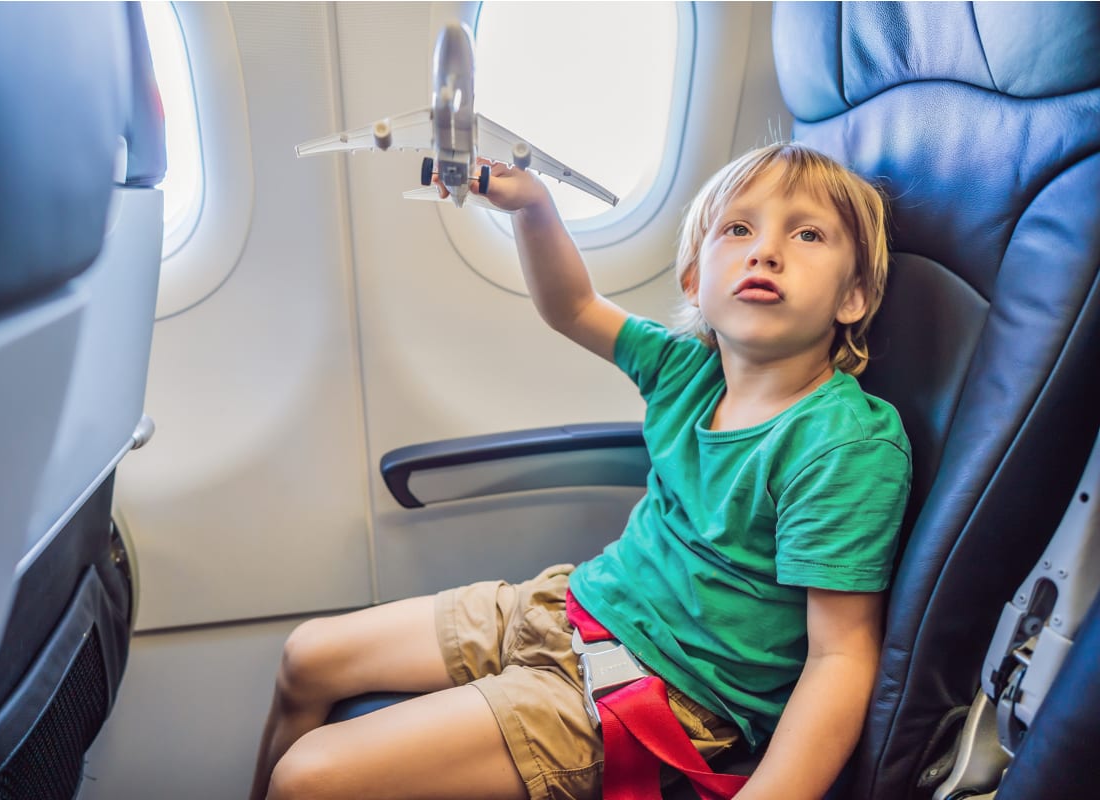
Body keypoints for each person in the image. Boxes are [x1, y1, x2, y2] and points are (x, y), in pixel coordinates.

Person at [248, 142, 912, 800]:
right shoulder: (686, 371)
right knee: (307, 655)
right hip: (572, 606)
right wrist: (533, 208)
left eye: (807, 235)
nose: (766, 250)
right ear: (694, 282)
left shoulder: (843, 445)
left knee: (310, 778)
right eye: (738, 228)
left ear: (853, 297)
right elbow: (573, 307)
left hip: (661, 691)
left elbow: (841, 657)